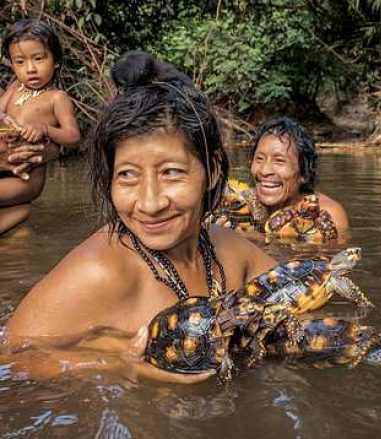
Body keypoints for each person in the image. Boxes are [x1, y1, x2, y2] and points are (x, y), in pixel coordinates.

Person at [3, 51, 277, 383]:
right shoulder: (99, 272)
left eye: (172, 172)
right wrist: (119, 363)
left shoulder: (231, 251)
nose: (150, 203)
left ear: (214, 170)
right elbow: (11, 358)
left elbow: (307, 296)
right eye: (128, 176)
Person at [0, 19, 80, 234]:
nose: (31, 69)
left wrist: (45, 129)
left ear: (55, 60)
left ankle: (18, 212)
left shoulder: (57, 97)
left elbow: (73, 137)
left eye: (38, 58)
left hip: (26, 180)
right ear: (12, 64)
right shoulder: (15, 88)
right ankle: (18, 215)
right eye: (20, 61)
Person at [247, 116, 348, 241]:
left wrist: (250, 238)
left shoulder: (325, 214)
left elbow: (332, 258)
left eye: (279, 161)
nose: (265, 171)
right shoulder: (243, 202)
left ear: (304, 173)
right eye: (259, 159)